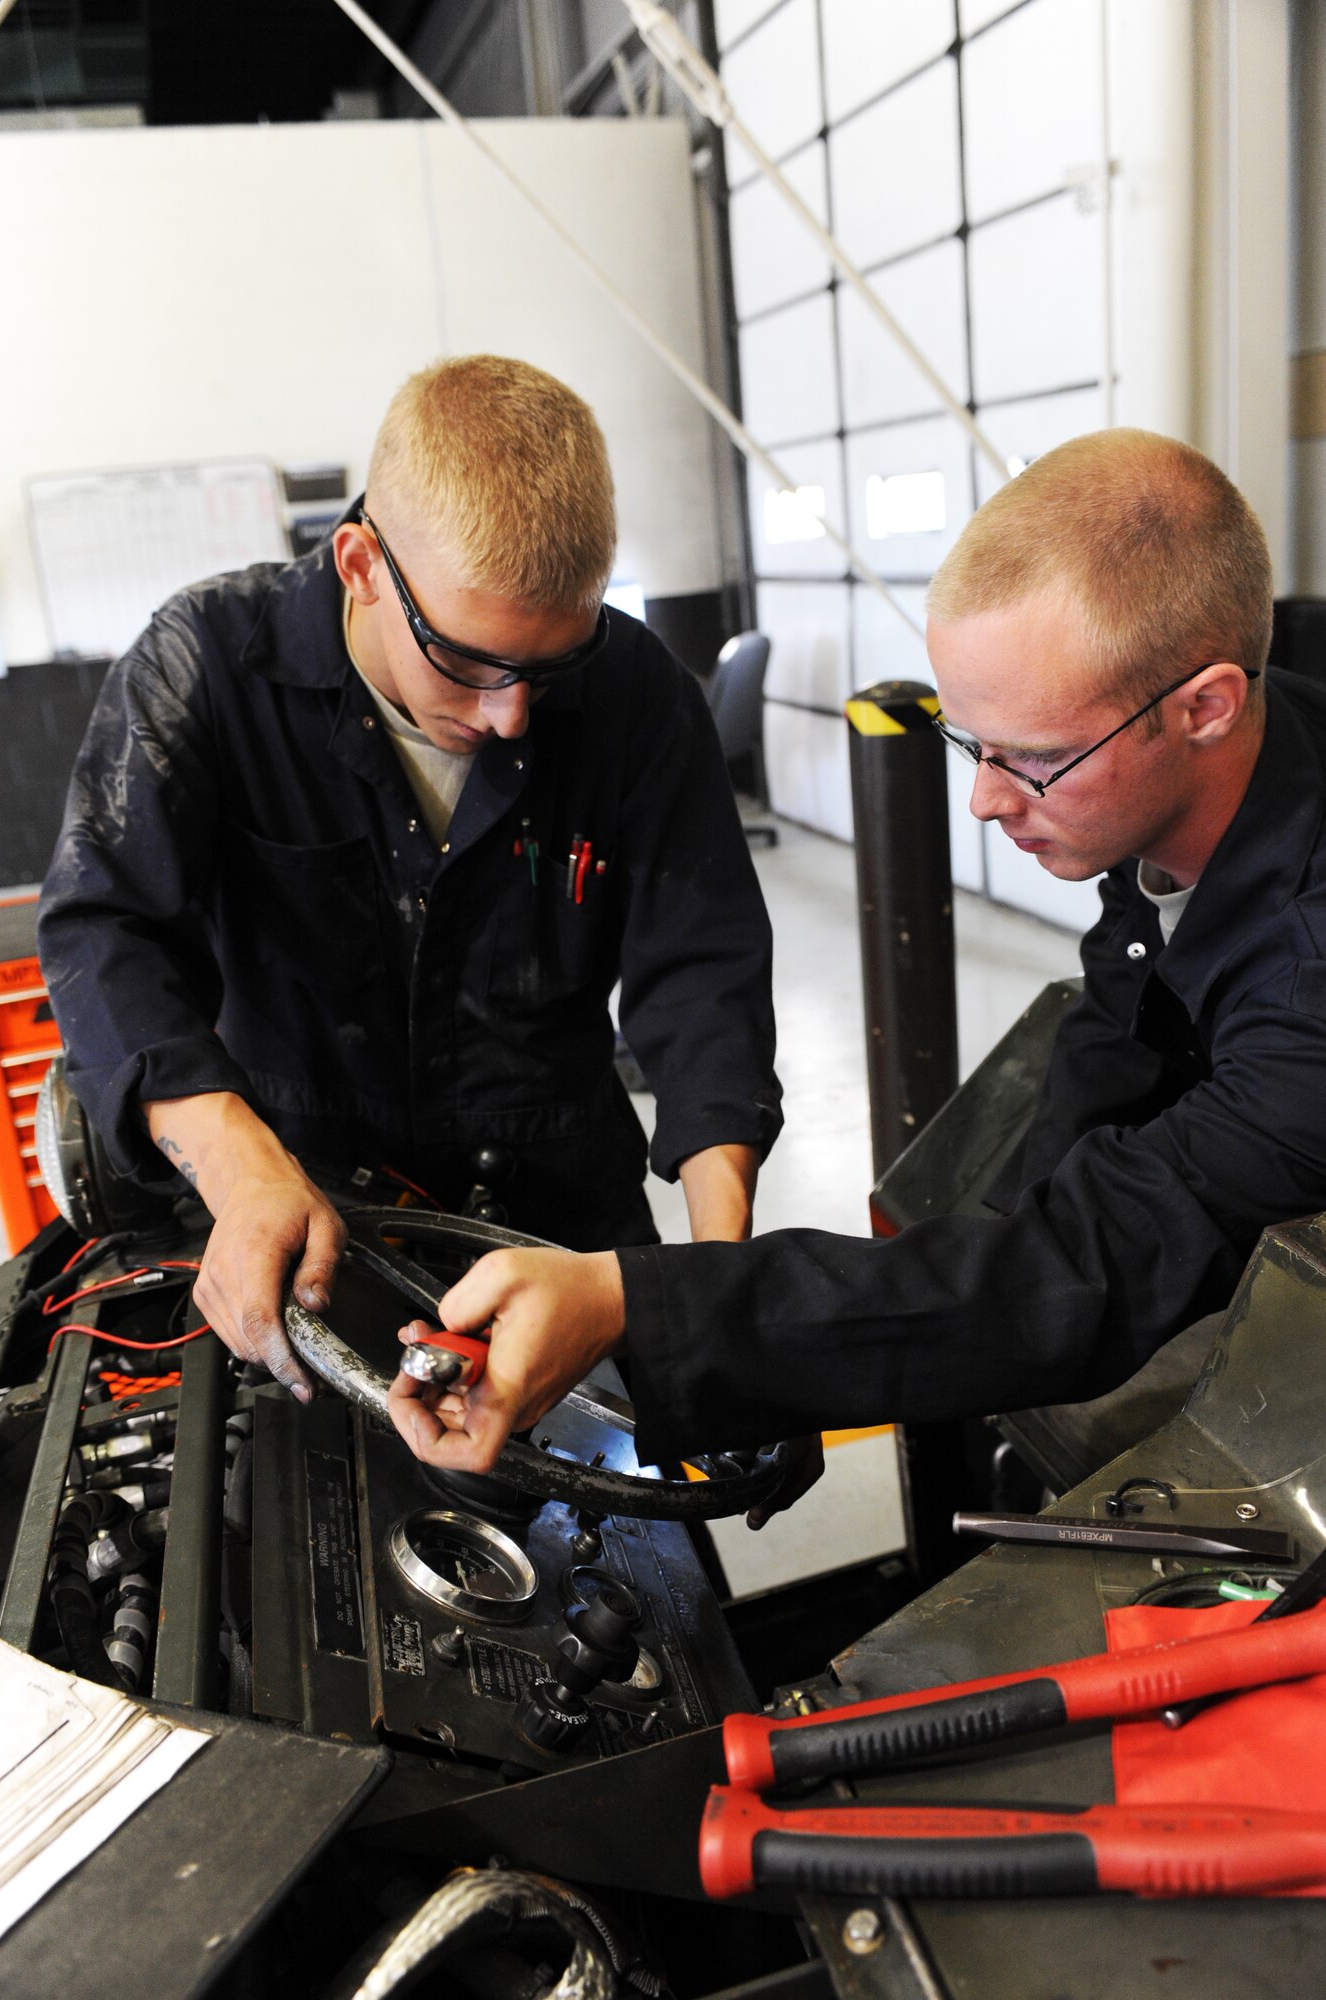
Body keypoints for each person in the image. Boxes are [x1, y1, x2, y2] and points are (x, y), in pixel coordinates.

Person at [387, 426, 1326, 1479]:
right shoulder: (1221, 762)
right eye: (972, 745)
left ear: (1204, 705)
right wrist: (876, 1319)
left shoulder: (1308, 983)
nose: (982, 798)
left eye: (1033, 759)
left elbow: (1102, 1258)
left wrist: (642, 1310)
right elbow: (1117, 1038)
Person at [38, 355, 783, 1404]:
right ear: (358, 564)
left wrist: (718, 1277)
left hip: (561, 1222)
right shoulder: (204, 666)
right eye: (470, 661)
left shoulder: (635, 692)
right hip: (304, 1219)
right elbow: (104, 926)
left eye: (551, 665)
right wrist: (236, 1162)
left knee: (620, 1547)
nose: (511, 714)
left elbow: (701, 970)